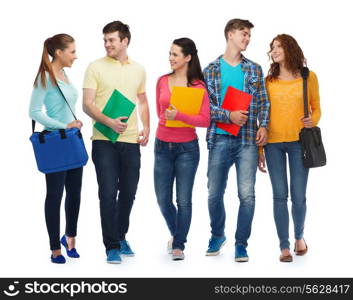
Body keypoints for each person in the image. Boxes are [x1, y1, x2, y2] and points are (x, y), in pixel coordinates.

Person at [83, 21, 150, 264]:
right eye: (105, 40)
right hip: (103, 140)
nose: (107, 44)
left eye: (111, 40)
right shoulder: (94, 67)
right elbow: (87, 104)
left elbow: (142, 100)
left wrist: (147, 127)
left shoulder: (139, 69)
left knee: (129, 192)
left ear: (125, 41)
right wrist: (109, 122)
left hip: (131, 140)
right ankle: (111, 245)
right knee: (108, 193)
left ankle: (121, 236)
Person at [203, 19, 270, 262]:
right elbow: (205, 109)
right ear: (230, 34)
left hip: (247, 141)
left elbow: (263, 102)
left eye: (249, 35)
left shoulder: (254, 69)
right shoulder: (210, 70)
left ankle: (241, 244)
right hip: (219, 139)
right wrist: (227, 115)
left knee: (247, 195)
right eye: (244, 33)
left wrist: (263, 125)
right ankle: (217, 235)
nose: (247, 38)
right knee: (213, 193)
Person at [258, 34, 321, 262]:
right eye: (272, 47)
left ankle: (299, 237)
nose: (273, 51)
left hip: (298, 143)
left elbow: (317, 108)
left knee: (298, 196)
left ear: (290, 49)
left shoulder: (308, 76)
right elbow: (262, 117)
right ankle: (284, 246)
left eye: (278, 47)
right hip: (272, 144)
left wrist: (312, 120)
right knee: (279, 196)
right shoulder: (268, 80)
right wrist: (260, 150)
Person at [29, 34, 83, 264]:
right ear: (59, 52)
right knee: (54, 196)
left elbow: (63, 106)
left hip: (71, 139)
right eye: (72, 51)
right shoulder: (45, 76)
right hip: (55, 142)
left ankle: (69, 237)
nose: (75, 55)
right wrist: (64, 126)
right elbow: (34, 111)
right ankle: (54, 248)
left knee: (75, 194)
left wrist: (74, 124)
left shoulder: (64, 74)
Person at [154, 38, 210, 261]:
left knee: (183, 200)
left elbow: (205, 120)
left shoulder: (197, 86)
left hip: (187, 149)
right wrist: (168, 118)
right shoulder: (161, 80)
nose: (171, 58)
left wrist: (179, 116)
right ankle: (177, 234)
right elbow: (160, 111)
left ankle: (178, 244)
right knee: (162, 199)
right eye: (170, 53)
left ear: (187, 57)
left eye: (175, 54)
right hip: (161, 146)